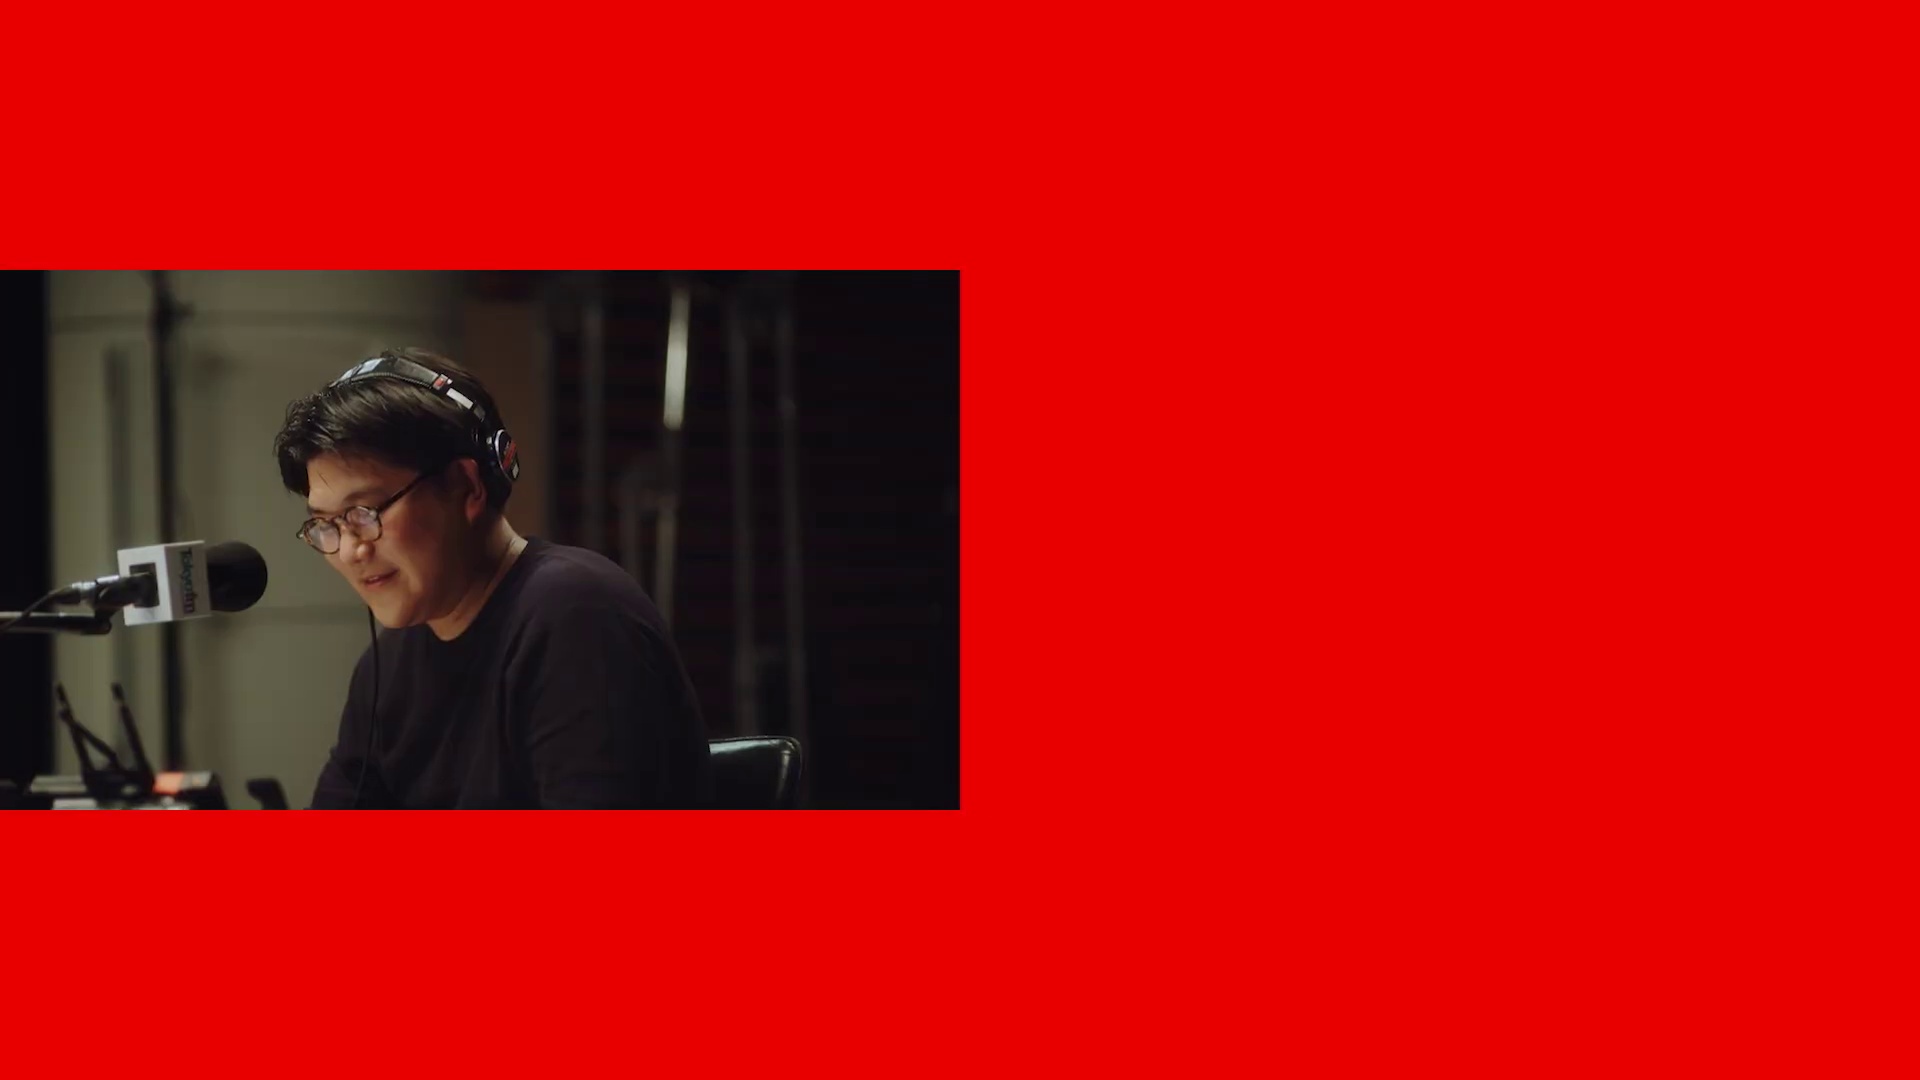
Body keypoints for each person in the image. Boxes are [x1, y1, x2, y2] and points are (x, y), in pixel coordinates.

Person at [273, 347, 711, 808]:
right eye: (327, 524)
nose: (350, 550)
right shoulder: (389, 665)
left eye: (364, 512)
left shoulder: (576, 615)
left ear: (467, 486)